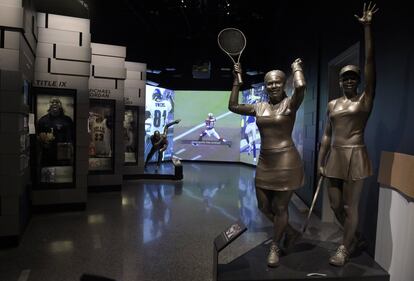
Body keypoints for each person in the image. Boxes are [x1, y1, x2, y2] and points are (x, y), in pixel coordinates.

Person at [317, 2, 378, 267]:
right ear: (341, 82)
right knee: (336, 205)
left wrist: (367, 29)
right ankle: (355, 238)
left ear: (358, 81)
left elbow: (369, 63)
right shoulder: (333, 104)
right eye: (346, 78)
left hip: (356, 154)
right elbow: (328, 135)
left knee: (351, 207)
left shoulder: (364, 101)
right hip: (335, 157)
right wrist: (321, 160)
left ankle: (344, 246)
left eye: (354, 77)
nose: (350, 81)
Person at [230, 58, 306, 267]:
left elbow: (301, 86)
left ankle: (275, 245)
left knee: (280, 207)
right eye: (269, 83)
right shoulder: (259, 107)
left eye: (277, 82)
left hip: (286, 161)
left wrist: (296, 69)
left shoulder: (290, 104)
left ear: (284, 84)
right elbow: (233, 105)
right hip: (265, 161)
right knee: (264, 206)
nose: (273, 86)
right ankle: (290, 232)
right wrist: (237, 81)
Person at [37, 96, 74, 166]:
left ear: (60, 105)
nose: (54, 104)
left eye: (57, 102)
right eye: (52, 102)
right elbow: (37, 138)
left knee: (64, 174)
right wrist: (43, 143)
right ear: (49, 105)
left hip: (64, 154)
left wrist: (72, 150)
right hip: (48, 155)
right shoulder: (42, 120)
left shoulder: (67, 120)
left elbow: (72, 137)